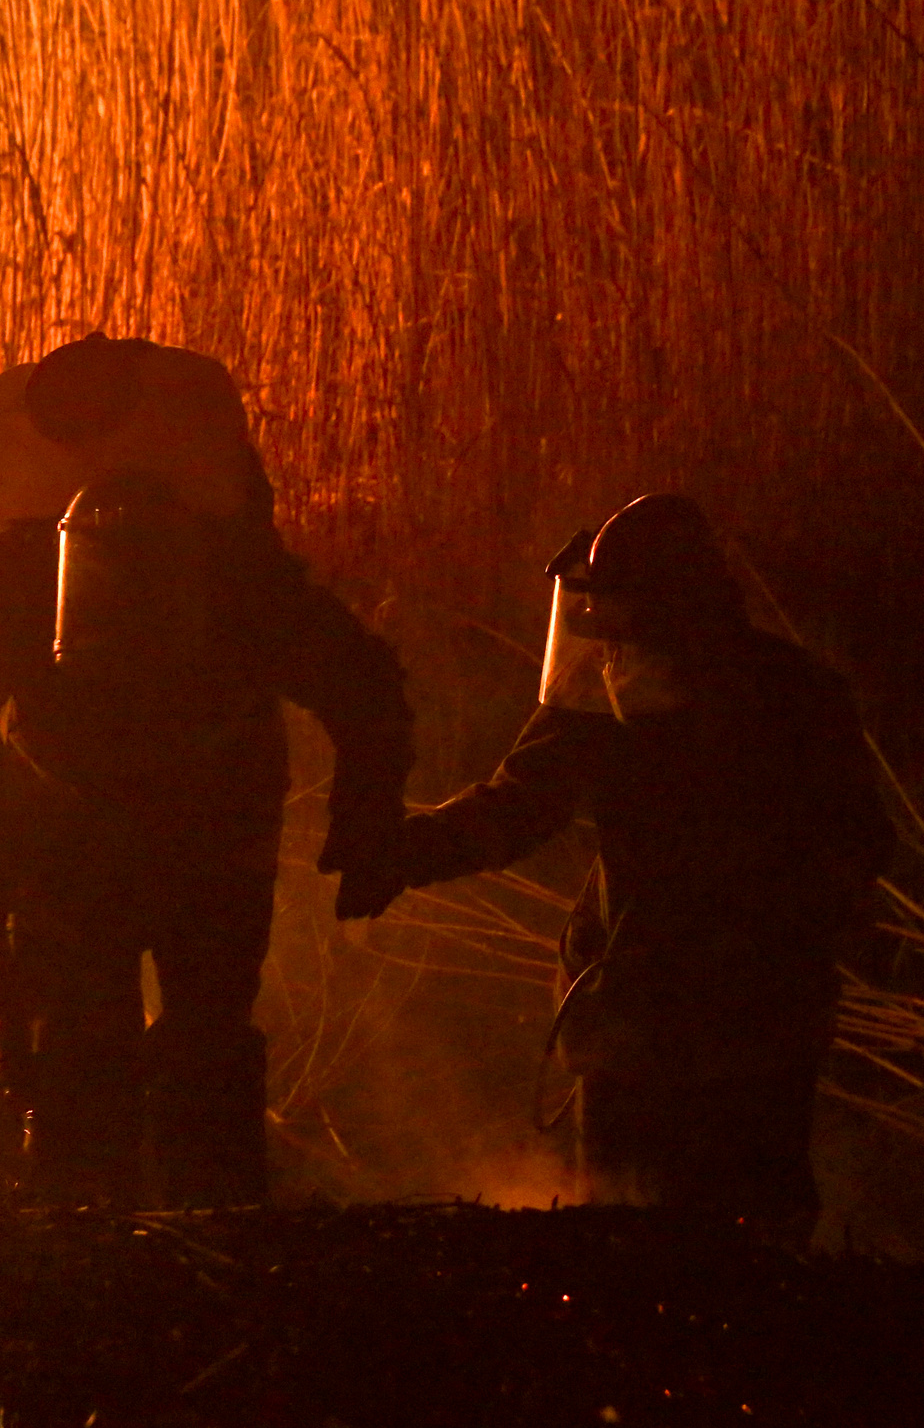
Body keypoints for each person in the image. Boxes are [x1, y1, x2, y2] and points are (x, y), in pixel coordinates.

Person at [0, 333, 414, 1207]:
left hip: (79, 845)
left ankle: (85, 1233)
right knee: (205, 1040)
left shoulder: (21, 566)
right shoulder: (235, 566)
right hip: (211, 840)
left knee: (80, 1050)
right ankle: (217, 1229)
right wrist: (364, 826)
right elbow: (364, 685)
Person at [381, 494, 892, 1236]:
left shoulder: (786, 701)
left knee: (680, 1234)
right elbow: (517, 805)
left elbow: (856, 844)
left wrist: (767, 914)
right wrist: (401, 855)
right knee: (662, 1231)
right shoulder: (624, 690)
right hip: (668, 1016)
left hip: (730, 1018)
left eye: (616, 611)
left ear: (665, 612)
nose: (600, 630)